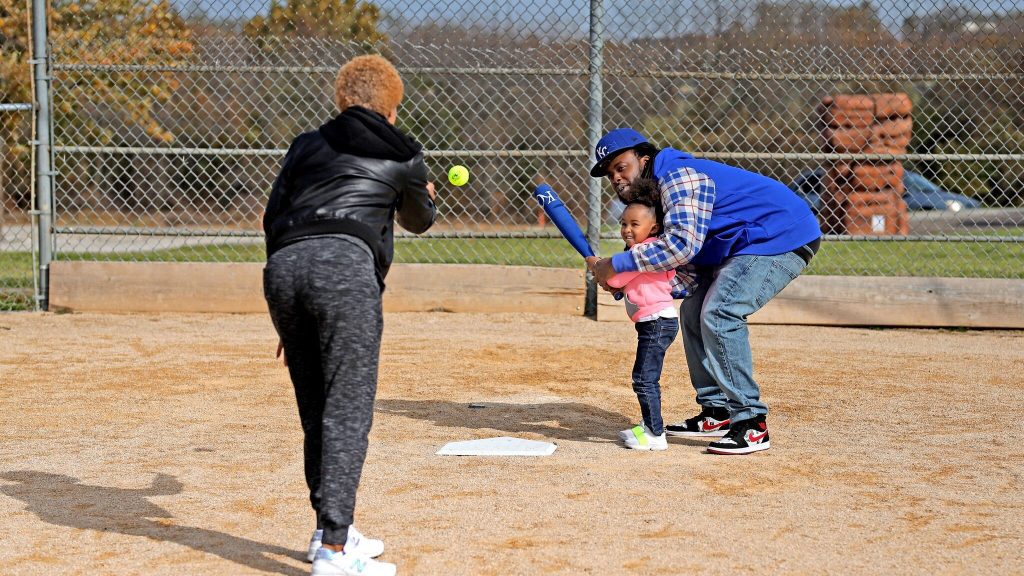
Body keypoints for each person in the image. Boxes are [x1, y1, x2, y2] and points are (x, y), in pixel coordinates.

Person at [262, 55, 436, 576]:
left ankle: (329, 528)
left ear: (340, 98)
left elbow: (274, 217)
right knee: (348, 408)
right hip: (345, 271)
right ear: (394, 106)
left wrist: (286, 313)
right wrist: (423, 194)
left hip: (284, 268)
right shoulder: (404, 152)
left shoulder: (305, 145)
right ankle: (334, 552)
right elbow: (418, 221)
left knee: (316, 407)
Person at [587, 128, 821, 455]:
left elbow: (680, 247)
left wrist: (620, 263)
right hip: (740, 246)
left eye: (620, 166)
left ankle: (752, 423)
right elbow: (685, 275)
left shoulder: (676, 177)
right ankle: (717, 412)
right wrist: (625, 281)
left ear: (644, 159)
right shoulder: (658, 201)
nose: (616, 178)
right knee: (694, 312)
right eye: (610, 174)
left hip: (778, 235)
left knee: (720, 312)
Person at [601, 180, 678, 451]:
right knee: (645, 377)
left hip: (657, 322)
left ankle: (656, 435)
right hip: (656, 322)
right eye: (624, 223)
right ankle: (648, 427)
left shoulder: (644, 252)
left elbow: (617, 277)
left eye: (635, 224)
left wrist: (601, 270)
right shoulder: (645, 250)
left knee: (644, 379)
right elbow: (622, 280)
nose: (627, 229)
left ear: (653, 228)